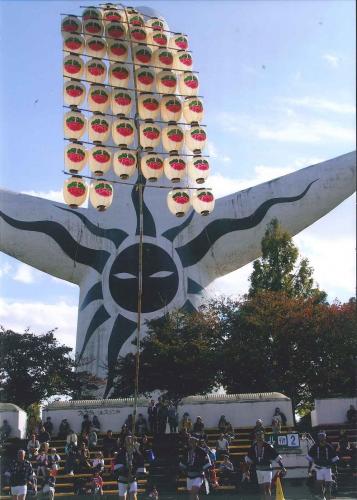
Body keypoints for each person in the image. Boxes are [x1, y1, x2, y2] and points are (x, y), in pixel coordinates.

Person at [245, 430, 286, 499]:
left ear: (263, 436)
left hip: (267, 469)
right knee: (261, 490)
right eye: (258, 435)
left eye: (261, 435)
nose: (259, 437)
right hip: (258, 469)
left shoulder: (268, 446)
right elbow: (249, 459)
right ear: (256, 437)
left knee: (267, 488)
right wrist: (247, 471)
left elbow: (276, 456)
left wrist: (283, 467)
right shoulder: (253, 447)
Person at [307, 431, 339, 500]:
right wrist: (309, 470)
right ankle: (322, 497)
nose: (321, 438)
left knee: (328, 485)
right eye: (320, 437)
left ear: (325, 437)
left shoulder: (329, 446)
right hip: (318, 468)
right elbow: (310, 459)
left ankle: (328, 498)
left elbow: (334, 459)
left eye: (323, 437)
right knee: (319, 484)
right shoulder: (314, 447)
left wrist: (335, 469)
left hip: (328, 468)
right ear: (318, 438)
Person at [114, 434, 146, 500]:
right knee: (122, 498)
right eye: (127, 440)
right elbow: (117, 466)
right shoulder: (121, 453)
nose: (129, 441)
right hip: (122, 478)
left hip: (133, 478)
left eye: (130, 440)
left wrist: (137, 451)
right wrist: (126, 468)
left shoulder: (136, 453)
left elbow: (141, 462)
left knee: (133, 495)